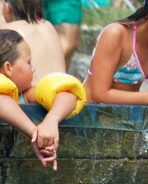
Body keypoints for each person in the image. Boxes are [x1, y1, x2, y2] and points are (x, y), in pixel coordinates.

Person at [0, 29, 85, 170]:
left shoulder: (25, 95)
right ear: (8, 68)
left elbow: (69, 94)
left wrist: (51, 120)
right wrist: (34, 132)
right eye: (29, 63)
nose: (33, 69)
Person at [0, 0, 66, 102]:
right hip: (60, 95)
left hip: (31, 100)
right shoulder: (48, 26)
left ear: (8, 7)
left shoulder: (8, 31)